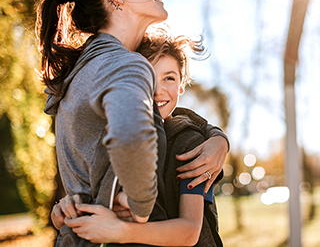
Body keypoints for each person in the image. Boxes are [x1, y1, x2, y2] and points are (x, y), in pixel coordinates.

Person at [36, 0, 228, 246]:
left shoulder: (79, 73)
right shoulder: (125, 64)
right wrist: (140, 208)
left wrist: (216, 137)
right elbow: (130, 138)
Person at [53, 28, 225, 246]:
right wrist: (67, 212)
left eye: (169, 78)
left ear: (182, 85)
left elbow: (190, 231)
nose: (158, 90)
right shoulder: (119, 137)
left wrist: (120, 231)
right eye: (148, 78)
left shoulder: (188, 142)